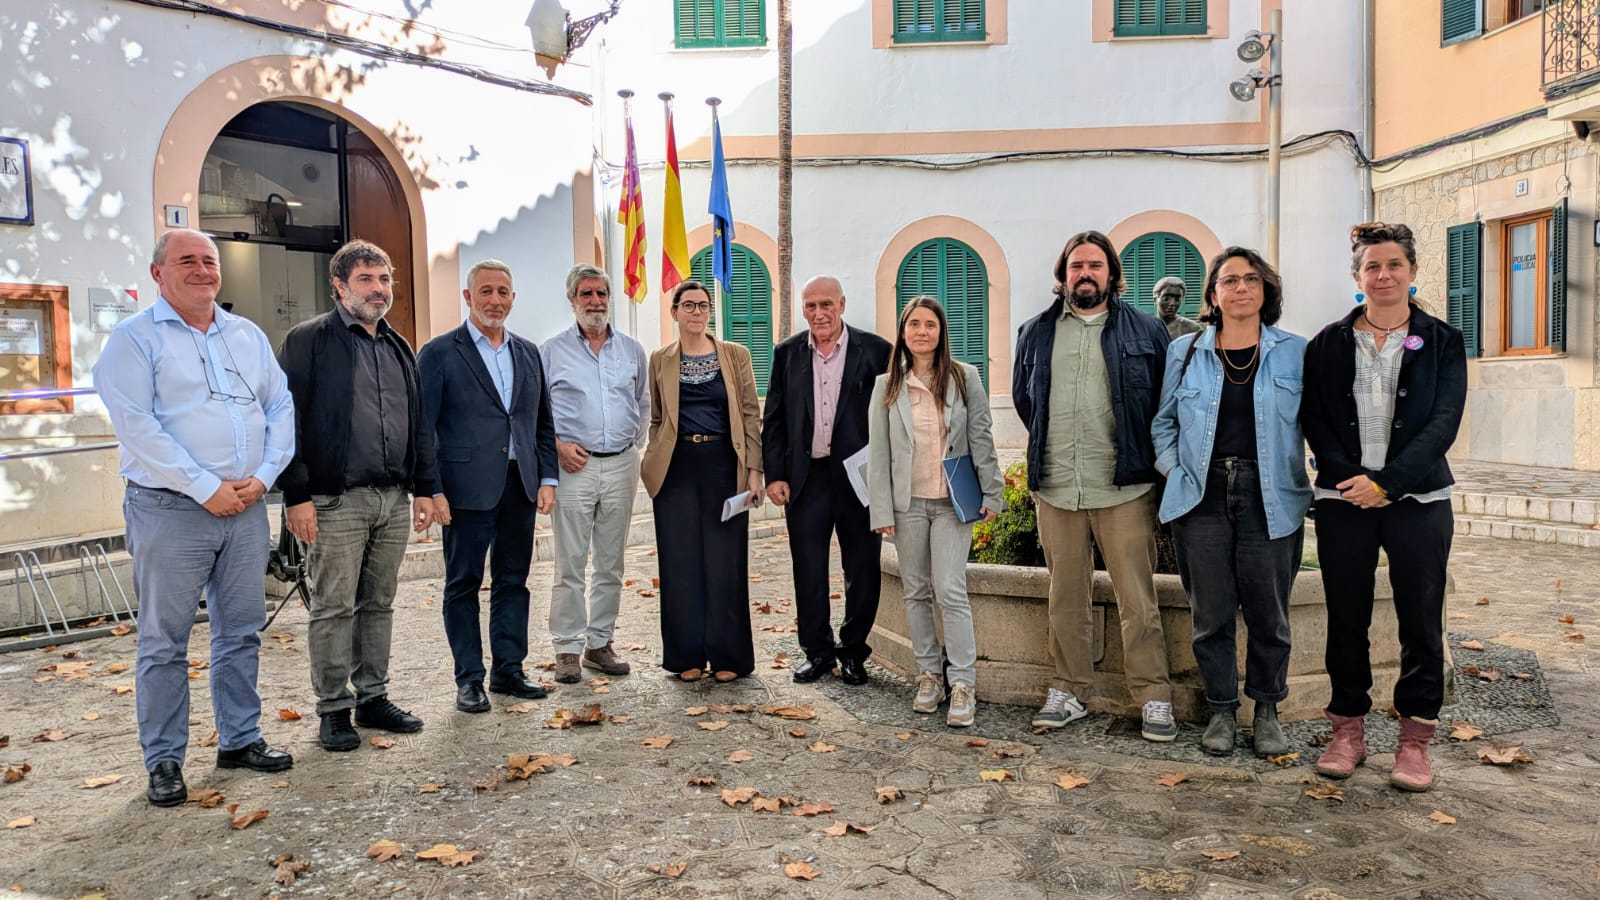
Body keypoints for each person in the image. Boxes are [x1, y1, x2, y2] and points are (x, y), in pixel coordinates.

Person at [93, 229, 295, 807]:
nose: (203, 270)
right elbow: (138, 426)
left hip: (245, 507)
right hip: (170, 508)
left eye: (210, 260)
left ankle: (240, 738)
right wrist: (206, 488)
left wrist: (264, 476)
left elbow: (279, 405)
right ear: (158, 273)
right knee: (164, 641)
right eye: (187, 261)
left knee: (241, 631)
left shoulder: (246, 335)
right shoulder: (134, 340)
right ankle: (164, 759)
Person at [1301, 222, 1466, 792]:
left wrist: (1389, 484)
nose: (1384, 275)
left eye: (1394, 264)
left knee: (1420, 618)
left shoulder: (1442, 341)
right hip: (1344, 498)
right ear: (1357, 277)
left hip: (1418, 499)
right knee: (1347, 617)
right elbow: (1314, 416)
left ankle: (1415, 740)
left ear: (1412, 271)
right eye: (1372, 266)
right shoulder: (1327, 343)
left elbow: (1443, 422)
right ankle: (1347, 730)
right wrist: (1351, 479)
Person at [1012, 230, 1175, 741]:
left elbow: (1164, 403)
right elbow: (1025, 400)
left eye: (1095, 265)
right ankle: (1069, 689)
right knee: (1065, 597)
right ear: (1063, 276)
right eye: (1077, 266)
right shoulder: (1035, 332)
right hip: (1057, 485)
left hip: (1124, 487)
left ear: (1112, 274)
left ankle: (1153, 696)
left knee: (1138, 600)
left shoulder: (1147, 330)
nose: (1085, 274)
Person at [277, 239, 440, 752]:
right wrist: (296, 495)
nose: (378, 289)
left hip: (392, 499)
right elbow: (285, 420)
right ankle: (332, 708)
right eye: (366, 279)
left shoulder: (398, 345)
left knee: (380, 603)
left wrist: (426, 488)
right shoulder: (309, 341)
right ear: (339, 286)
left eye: (384, 279)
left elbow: (419, 424)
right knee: (332, 607)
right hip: (334, 501)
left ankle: (373, 696)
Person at [1152, 248, 1311, 757]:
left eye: (1251, 279)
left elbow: (1320, 423)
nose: (1240, 288)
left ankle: (1266, 710)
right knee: (1211, 612)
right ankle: (1221, 710)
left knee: (1270, 613)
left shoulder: (1295, 351)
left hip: (1272, 494)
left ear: (1266, 290)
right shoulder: (1185, 352)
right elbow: (1163, 422)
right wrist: (1174, 470)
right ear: (1213, 295)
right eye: (1229, 280)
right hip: (1201, 495)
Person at [417, 260, 559, 714]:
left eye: (502, 292)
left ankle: (508, 670)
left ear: (513, 298)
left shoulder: (528, 352)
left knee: (514, 580)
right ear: (468, 297)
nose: (495, 300)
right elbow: (422, 428)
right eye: (485, 291)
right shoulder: (440, 353)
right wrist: (430, 488)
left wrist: (547, 478)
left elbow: (541, 422)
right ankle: (469, 679)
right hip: (464, 489)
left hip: (520, 485)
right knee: (463, 583)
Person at [867, 296, 1004, 727]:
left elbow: (981, 436)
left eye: (930, 324)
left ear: (941, 331)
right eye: (914, 324)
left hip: (952, 502)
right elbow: (879, 452)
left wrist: (993, 492)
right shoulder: (887, 385)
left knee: (949, 588)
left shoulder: (965, 377)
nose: (922, 332)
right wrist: (881, 509)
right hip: (907, 504)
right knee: (915, 591)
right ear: (903, 331)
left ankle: (962, 681)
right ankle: (929, 676)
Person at [763, 276, 893, 685]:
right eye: (811, 306)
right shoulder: (786, 353)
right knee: (808, 569)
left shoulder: (877, 351)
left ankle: (853, 652)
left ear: (842, 304)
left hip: (859, 477)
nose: (818, 313)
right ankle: (817, 652)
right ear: (803, 309)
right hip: (807, 479)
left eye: (826, 305)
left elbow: (893, 417)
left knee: (863, 569)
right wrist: (775, 475)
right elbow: (774, 419)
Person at [640, 280, 764, 682]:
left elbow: (750, 414)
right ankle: (686, 656)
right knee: (680, 562)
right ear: (674, 311)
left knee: (726, 561)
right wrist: (653, 455)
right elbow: (657, 416)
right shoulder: (660, 359)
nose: (696, 312)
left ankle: (729, 657)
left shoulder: (735, 355)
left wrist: (755, 470)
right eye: (689, 305)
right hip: (675, 469)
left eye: (703, 305)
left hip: (724, 466)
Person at [541, 264, 649, 684]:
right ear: (572, 300)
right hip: (573, 467)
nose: (595, 301)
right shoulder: (551, 352)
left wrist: (630, 446)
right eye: (586, 293)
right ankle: (567, 647)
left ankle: (599, 643)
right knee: (569, 562)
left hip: (621, 464)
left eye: (602, 293)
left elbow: (642, 403)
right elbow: (536, 412)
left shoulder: (632, 350)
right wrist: (558, 447)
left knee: (610, 562)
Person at [1155, 275, 1203, 340]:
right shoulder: (1147, 327)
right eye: (1166, 299)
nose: (1172, 303)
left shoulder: (1192, 328)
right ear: (1156, 299)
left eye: (1177, 299)